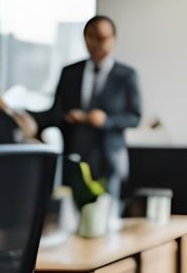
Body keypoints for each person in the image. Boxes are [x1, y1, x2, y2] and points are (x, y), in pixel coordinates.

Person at [41, 15, 142, 197]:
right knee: (72, 215)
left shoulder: (126, 75)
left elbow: (135, 117)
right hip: (76, 155)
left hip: (110, 157)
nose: (97, 43)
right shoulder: (69, 72)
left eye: (103, 38)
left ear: (113, 39)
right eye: (91, 37)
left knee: (107, 216)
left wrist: (107, 120)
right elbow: (55, 112)